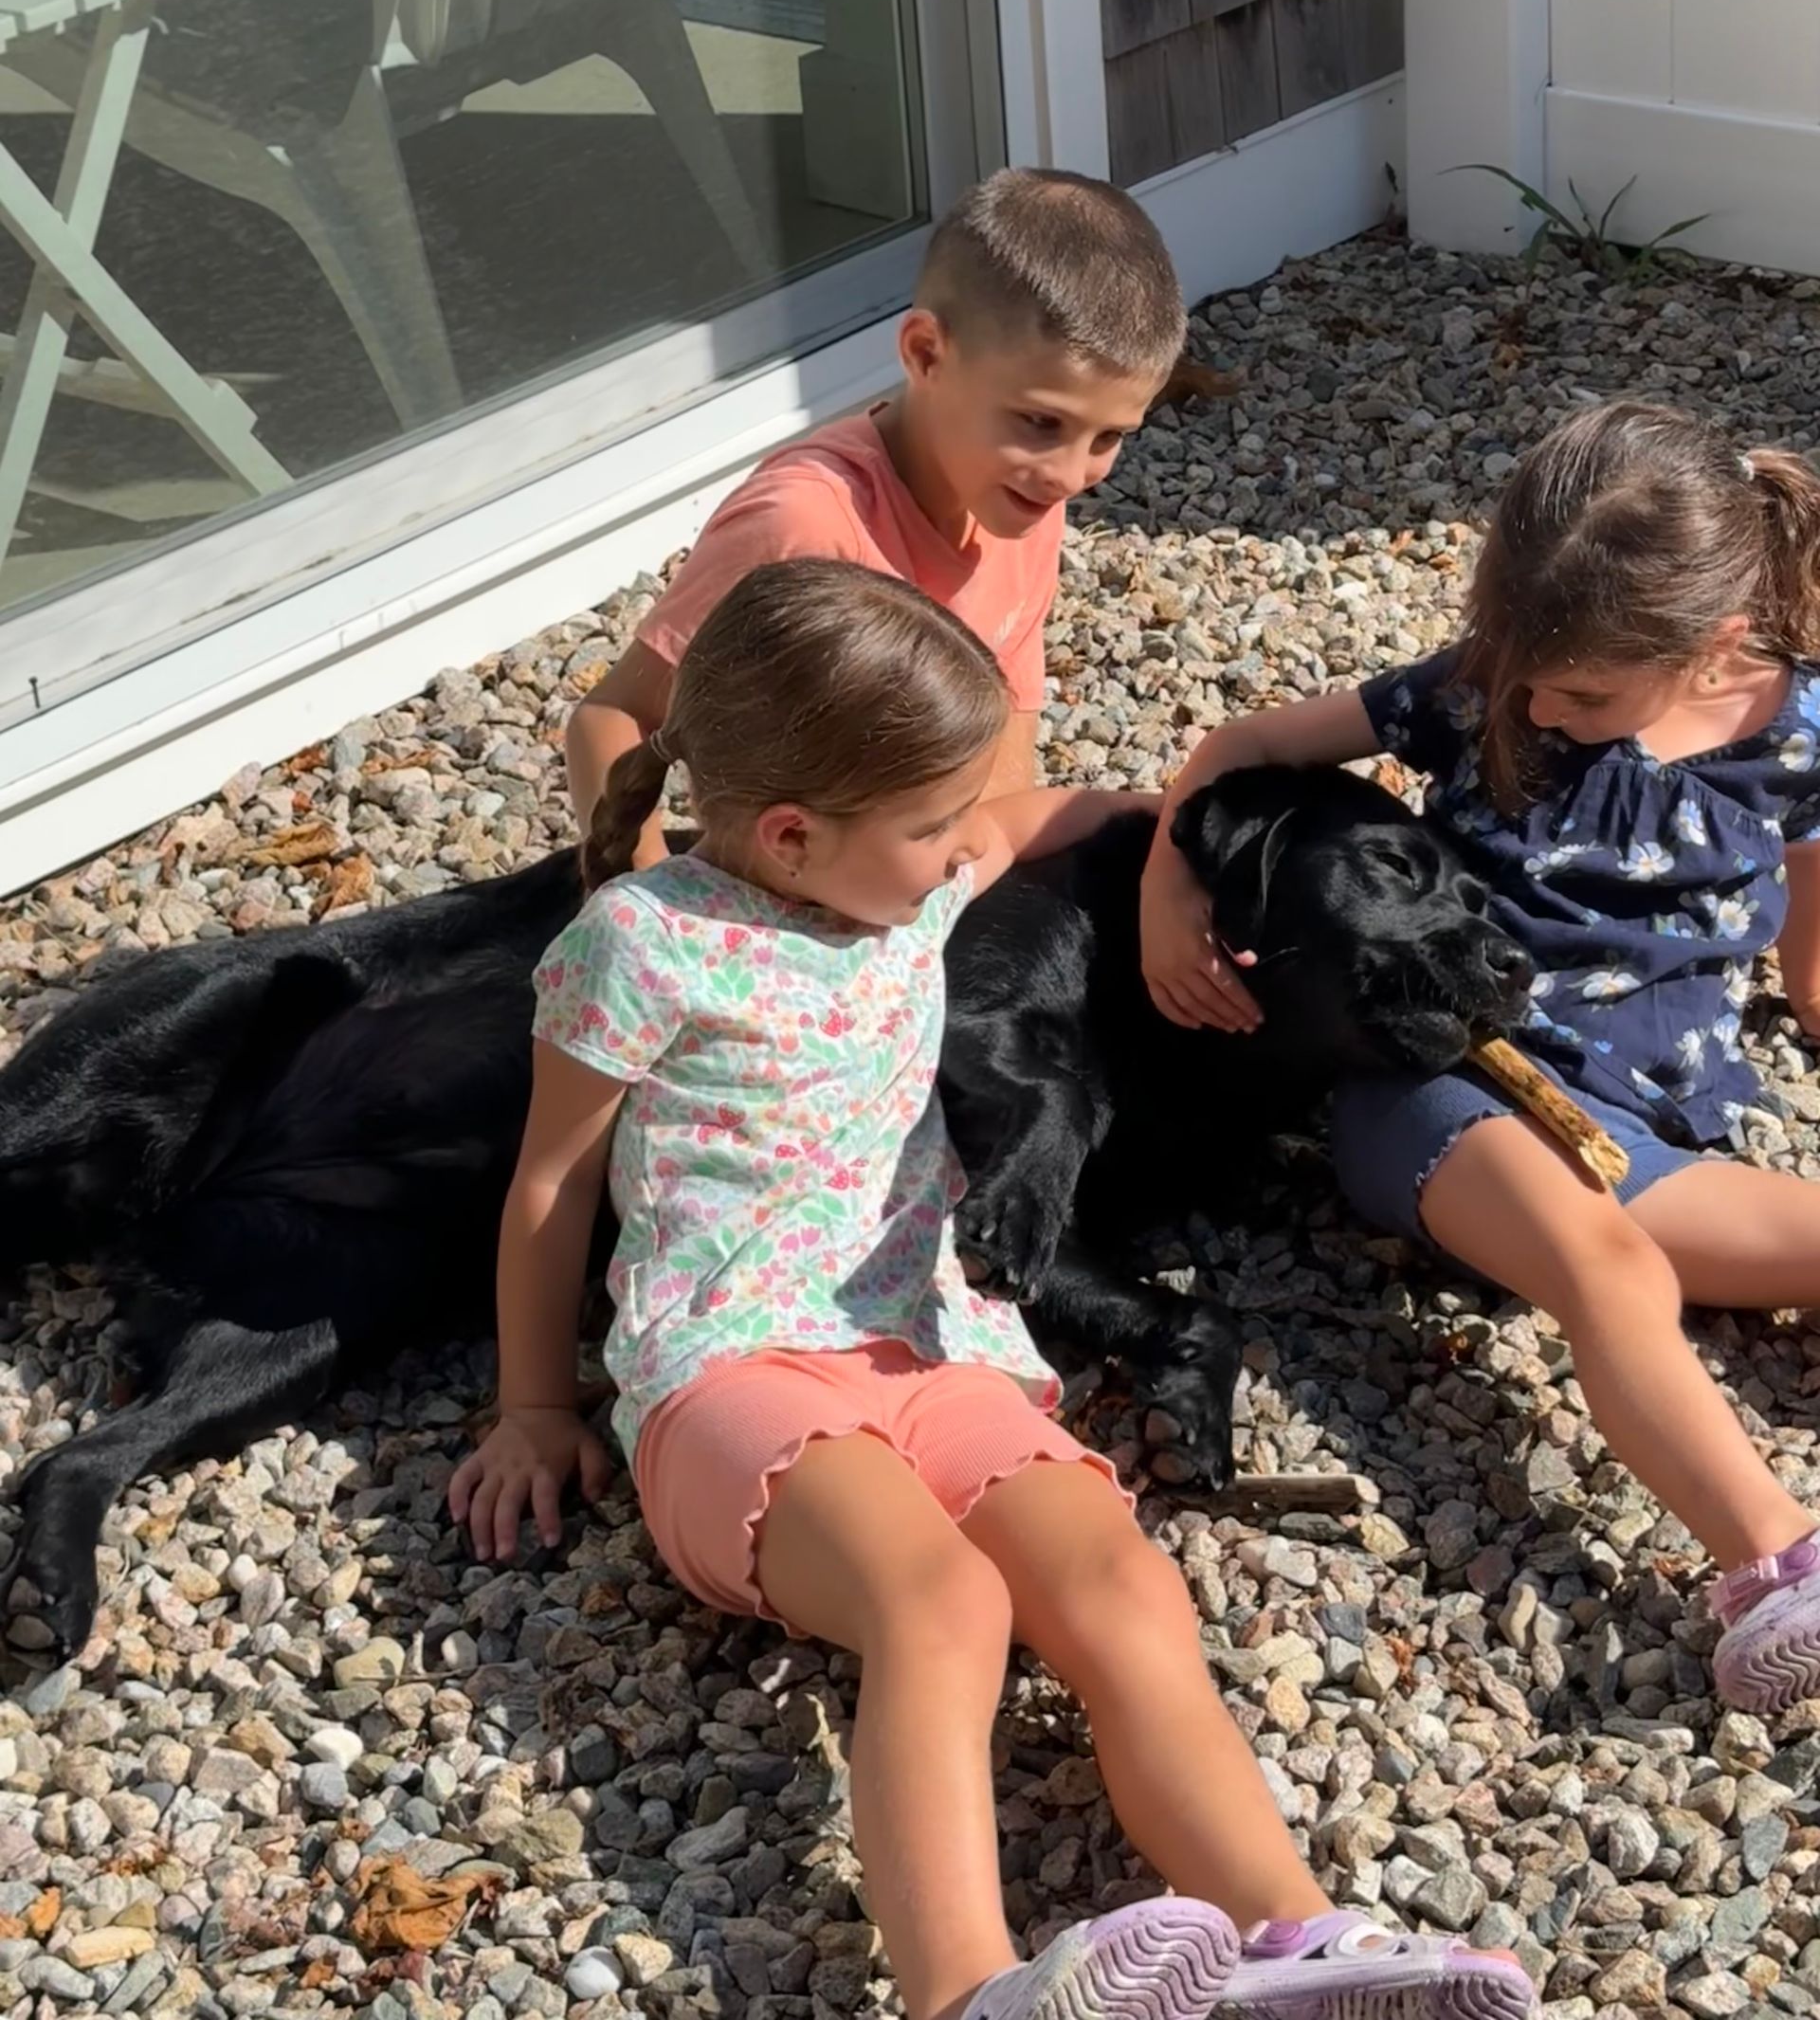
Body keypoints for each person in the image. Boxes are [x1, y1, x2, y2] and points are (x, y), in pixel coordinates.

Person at [455, 559, 1534, 2020]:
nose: (966, 844)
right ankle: (966, 1991)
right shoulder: (645, 946)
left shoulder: (903, 878)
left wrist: (1172, 887)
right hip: (731, 1372)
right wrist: (533, 1406)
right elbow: (550, 1185)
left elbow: (1072, 813)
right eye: (934, 822)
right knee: (943, 1602)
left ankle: (1295, 1942)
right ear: (792, 834)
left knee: (1123, 1583)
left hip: (935, 1348)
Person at [1140, 397, 1820, 1715]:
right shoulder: (1482, 686)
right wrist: (1171, 883)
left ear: (1718, 640)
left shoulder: (1798, 733)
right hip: (1442, 1080)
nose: (1537, 704)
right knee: (1610, 1270)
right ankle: (1773, 1562)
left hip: (1641, 1128)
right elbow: (1246, 744)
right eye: (1522, 671)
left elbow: (1813, 896)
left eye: (1580, 694)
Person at [563, 168, 1187, 851]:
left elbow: (1006, 740)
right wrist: (644, 898)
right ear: (926, 354)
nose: (1069, 475)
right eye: (1040, 422)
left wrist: (989, 884)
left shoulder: (1025, 502)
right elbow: (615, 715)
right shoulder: (803, 525)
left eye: (1108, 437)